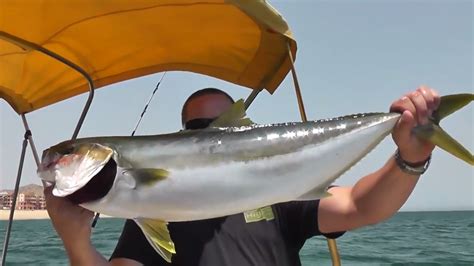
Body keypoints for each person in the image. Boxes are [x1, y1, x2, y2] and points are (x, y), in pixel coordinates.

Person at [45, 86, 439, 266]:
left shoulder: (277, 189)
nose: (213, 134)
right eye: (200, 127)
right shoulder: (153, 209)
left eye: (225, 125)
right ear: (183, 135)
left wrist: (410, 159)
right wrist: (74, 238)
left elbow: (359, 206)